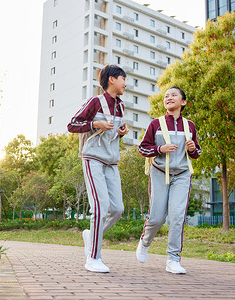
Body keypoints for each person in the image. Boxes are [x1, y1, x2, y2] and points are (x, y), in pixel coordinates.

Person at [67, 64, 129, 273]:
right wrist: (96, 124)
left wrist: (121, 132)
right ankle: (93, 257)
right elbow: (72, 125)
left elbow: (113, 131)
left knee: (118, 209)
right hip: (93, 158)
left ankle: (90, 235)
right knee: (100, 208)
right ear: (112, 79)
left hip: (111, 161)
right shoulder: (95, 102)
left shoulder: (120, 106)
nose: (125, 83)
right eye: (123, 78)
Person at [136, 86, 201, 274]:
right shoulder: (155, 124)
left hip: (181, 175)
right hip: (159, 173)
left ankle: (173, 259)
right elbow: (142, 148)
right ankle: (145, 241)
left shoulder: (190, 126)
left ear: (183, 102)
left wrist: (191, 149)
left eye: (174, 95)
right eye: (166, 96)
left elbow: (197, 153)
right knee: (156, 217)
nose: (169, 98)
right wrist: (159, 149)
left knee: (177, 217)